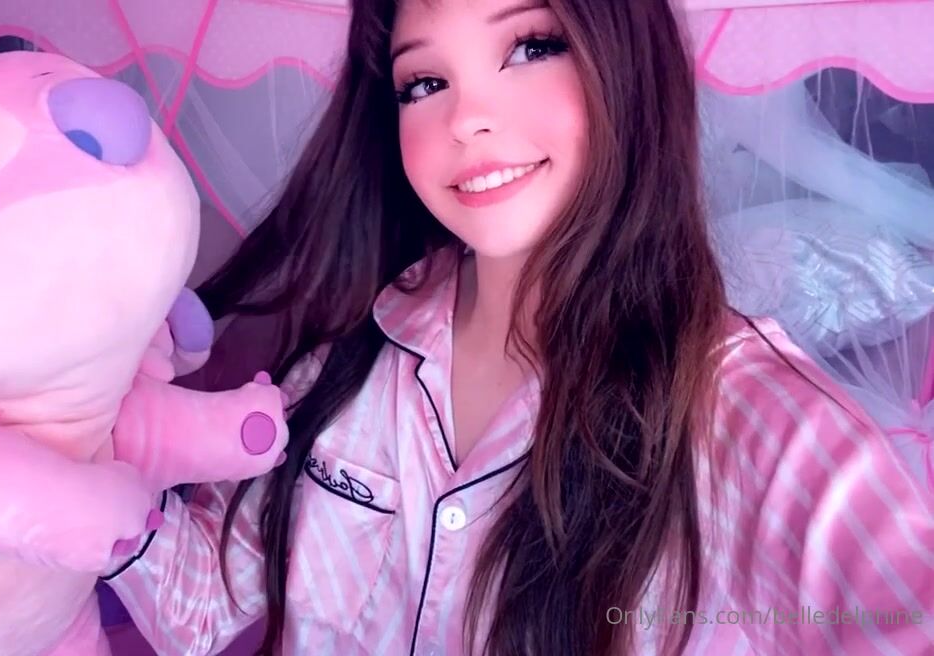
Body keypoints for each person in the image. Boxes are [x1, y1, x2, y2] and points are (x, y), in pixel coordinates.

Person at [103, 1, 934, 654]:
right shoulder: (344, 362)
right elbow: (198, 610)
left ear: (626, 64)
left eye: (531, 46)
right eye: (423, 83)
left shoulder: (752, 422)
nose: (466, 118)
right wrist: (77, 431)